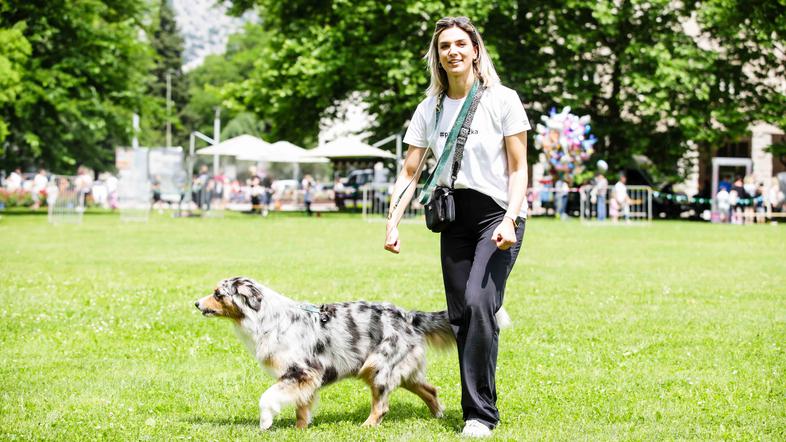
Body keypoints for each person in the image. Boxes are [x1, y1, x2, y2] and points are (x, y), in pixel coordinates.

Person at [384, 16, 529, 438]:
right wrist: (392, 221)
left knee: (480, 303)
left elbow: (519, 170)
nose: (453, 51)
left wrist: (509, 219)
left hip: (498, 215)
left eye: (460, 44)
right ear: (437, 56)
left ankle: (479, 415)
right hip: (453, 218)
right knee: (464, 315)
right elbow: (409, 172)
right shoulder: (429, 108)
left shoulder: (503, 100)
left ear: (475, 50)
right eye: (444, 46)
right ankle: (482, 334)